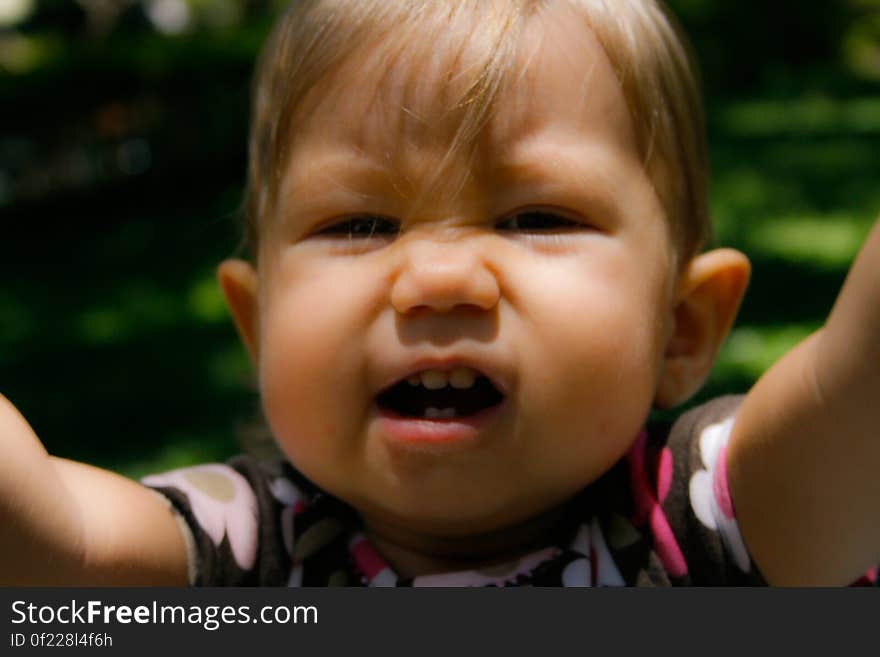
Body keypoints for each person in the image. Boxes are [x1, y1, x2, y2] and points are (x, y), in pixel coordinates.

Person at [1, 0, 878, 587]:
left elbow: (857, 395)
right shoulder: (248, 548)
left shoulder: (701, 518)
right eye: (359, 225)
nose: (436, 279)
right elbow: (51, 551)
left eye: (536, 217)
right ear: (258, 327)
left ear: (680, 330)